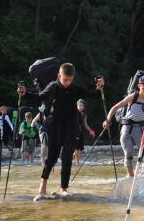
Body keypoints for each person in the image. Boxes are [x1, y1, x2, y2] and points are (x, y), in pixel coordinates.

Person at [17, 63, 104, 200]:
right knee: (52, 157)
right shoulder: (53, 86)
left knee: (67, 157)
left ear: (72, 78)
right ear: (59, 76)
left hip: (71, 125)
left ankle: (63, 188)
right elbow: (40, 97)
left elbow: (94, 95)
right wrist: (25, 93)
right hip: (56, 125)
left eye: (70, 80)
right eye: (65, 80)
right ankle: (42, 186)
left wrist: (99, 87)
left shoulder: (74, 88)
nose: (67, 83)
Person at [102, 75, 144, 177]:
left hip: (140, 128)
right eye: (143, 86)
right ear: (139, 85)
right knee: (128, 154)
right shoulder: (133, 96)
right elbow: (115, 107)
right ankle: (130, 176)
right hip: (127, 127)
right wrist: (107, 120)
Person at [73, 99, 95, 165]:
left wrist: (91, 131)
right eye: (79, 105)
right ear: (77, 106)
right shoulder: (74, 113)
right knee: (76, 148)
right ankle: (77, 163)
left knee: (80, 148)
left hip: (81, 132)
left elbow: (85, 124)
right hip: (74, 132)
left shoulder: (84, 114)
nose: (81, 106)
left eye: (82, 105)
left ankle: (76, 160)